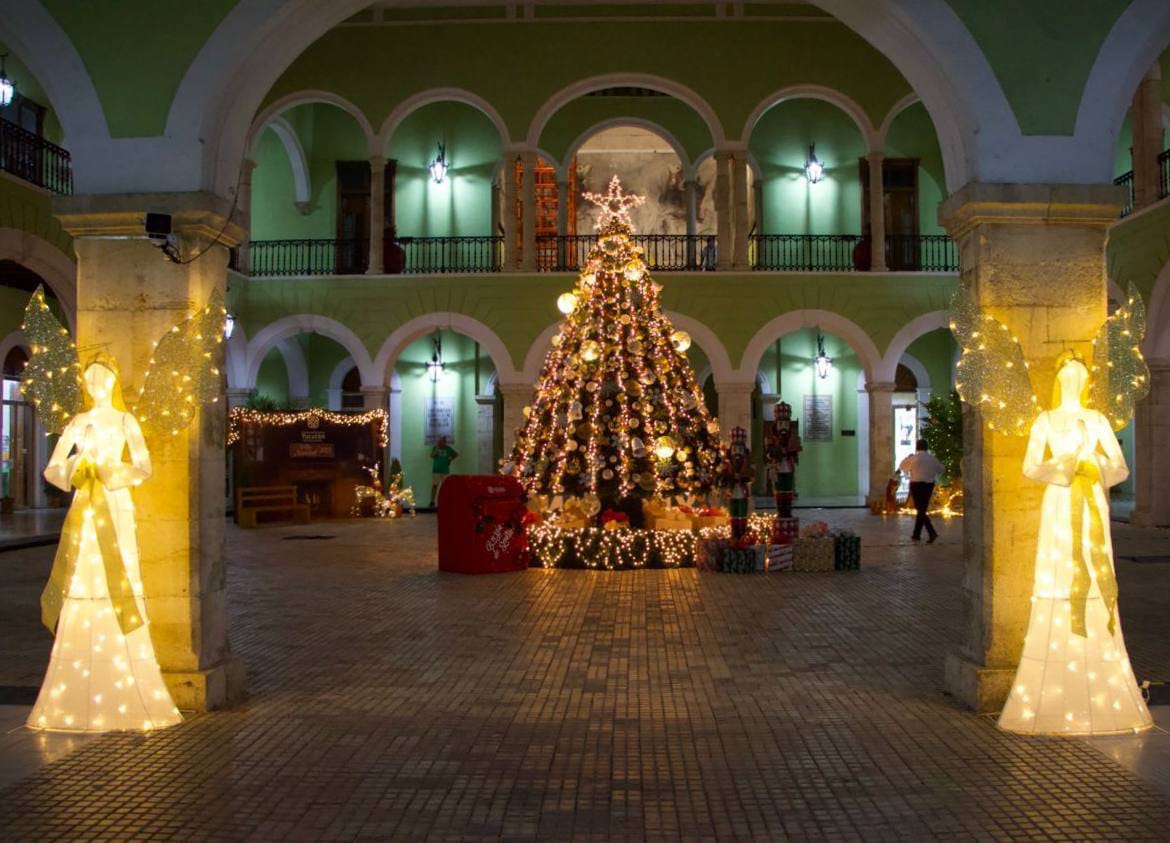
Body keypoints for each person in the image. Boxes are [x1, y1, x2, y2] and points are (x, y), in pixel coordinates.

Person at [897, 438, 944, 543]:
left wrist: (907, 461)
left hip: (916, 485)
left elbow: (902, 466)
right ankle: (916, 534)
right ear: (927, 447)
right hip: (928, 485)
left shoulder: (914, 458)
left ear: (917, 447)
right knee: (922, 509)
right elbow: (941, 469)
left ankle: (931, 532)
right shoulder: (932, 459)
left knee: (920, 509)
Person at [429, 436, 458, 507]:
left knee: (445, 487)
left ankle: (446, 500)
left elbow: (456, 454)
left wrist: (450, 460)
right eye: (440, 441)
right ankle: (432, 501)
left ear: (445, 442)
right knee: (434, 486)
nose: (441, 443)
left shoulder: (448, 449)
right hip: (436, 470)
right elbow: (432, 456)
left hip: (445, 471)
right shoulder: (435, 448)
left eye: (443, 442)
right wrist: (437, 449)